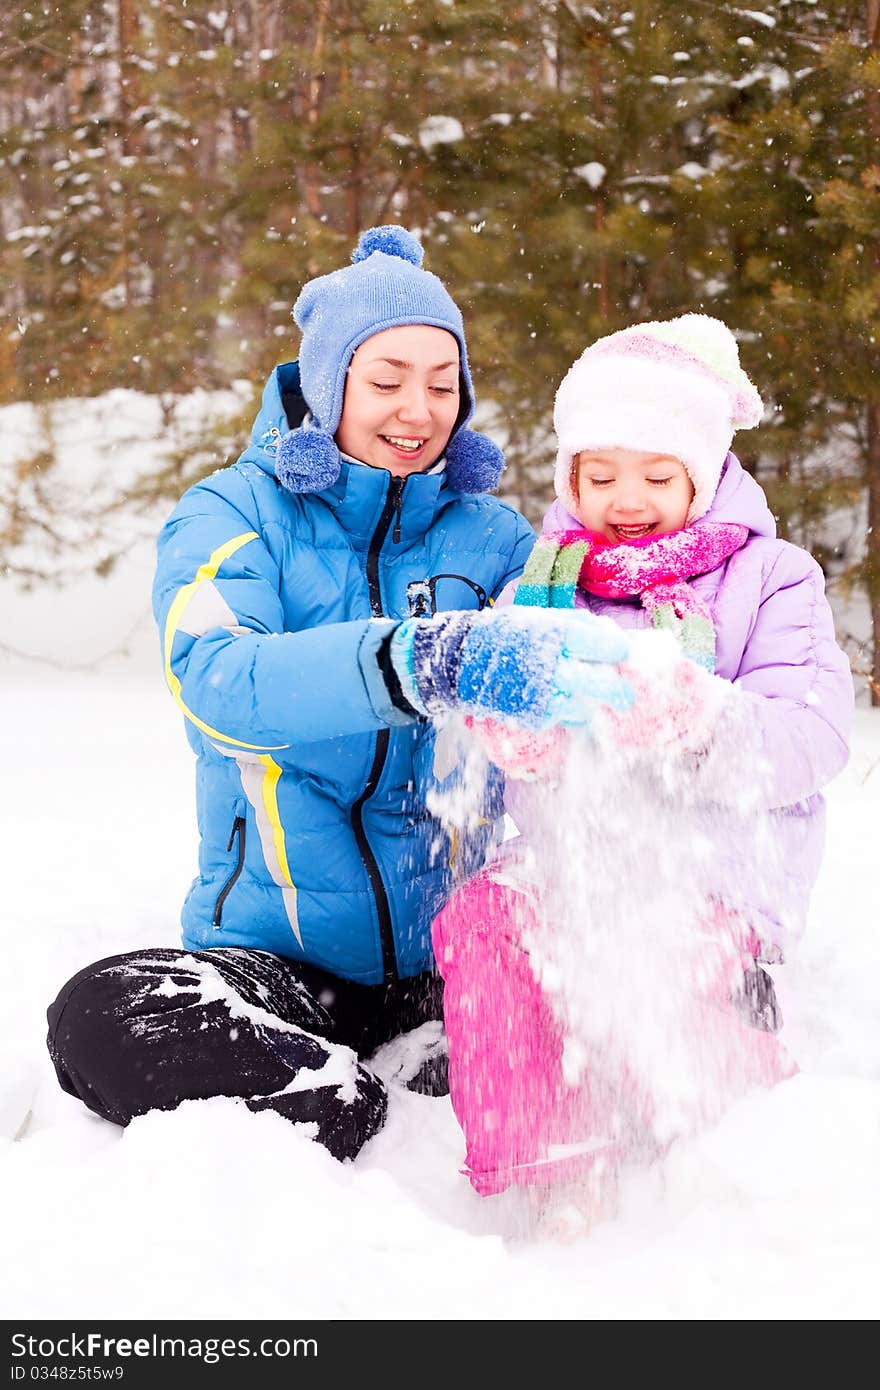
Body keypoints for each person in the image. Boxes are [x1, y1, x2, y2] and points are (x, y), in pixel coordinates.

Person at [45, 225, 632, 1161]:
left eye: (444, 384)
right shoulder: (235, 514)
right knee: (99, 1016)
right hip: (280, 962)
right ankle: (335, 1086)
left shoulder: (496, 542)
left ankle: (441, 1052)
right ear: (329, 386)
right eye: (388, 377)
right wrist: (417, 660)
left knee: (646, 984)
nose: (419, 407)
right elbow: (215, 680)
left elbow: (603, 655)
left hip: (454, 957)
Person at [430, 313, 855, 1225]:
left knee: (670, 982)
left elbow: (811, 739)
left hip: (715, 881)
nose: (627, 498)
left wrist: (700, 722)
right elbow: (502, 752)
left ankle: (725, 1129)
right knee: (481, 920)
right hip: (571, 870)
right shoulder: (536, 592)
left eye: (658, 475)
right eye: (600, 473)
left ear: (703, 474)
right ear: (569, 475)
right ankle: (547, 1151)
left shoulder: (771, 580)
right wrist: (521, 746)